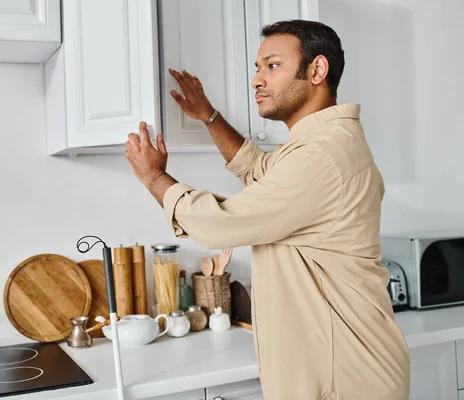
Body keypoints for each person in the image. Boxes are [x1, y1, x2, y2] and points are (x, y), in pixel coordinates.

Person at [124, 19, 409, 400]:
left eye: (272, 66)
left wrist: (154, 177)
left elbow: (220, 224)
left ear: (316, 70)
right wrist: (209, 116)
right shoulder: (320, 143)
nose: (257, 80)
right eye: (257, 68)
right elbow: (258, 171)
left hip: (343, 377)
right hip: (340, 369)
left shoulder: (322, 155)